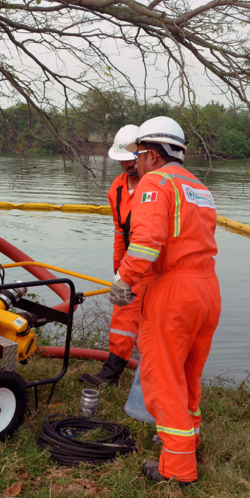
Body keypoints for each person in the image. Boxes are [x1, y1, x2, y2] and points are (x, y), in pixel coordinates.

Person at [110, 116, 221, 486]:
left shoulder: (155, 182)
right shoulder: (198, 187)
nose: (136, 164)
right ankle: (187, 437)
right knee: (188, 374)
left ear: (154, 155)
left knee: (163, 379)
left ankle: (177, 467)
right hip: (207, 289)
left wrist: (122, 280)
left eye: (139, 155)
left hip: (172, 292)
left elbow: (146, 243)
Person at [80, 124, 141, 387]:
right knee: (122, 317)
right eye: (124, 160)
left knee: (158, 323)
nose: (128, 164)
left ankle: (157, 378)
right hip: (131, 263)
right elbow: (120, 230)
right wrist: (118, 269)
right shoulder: (116, 189)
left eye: (133, 158)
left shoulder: (158, 186)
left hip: (158, 267)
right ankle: (110, 375)